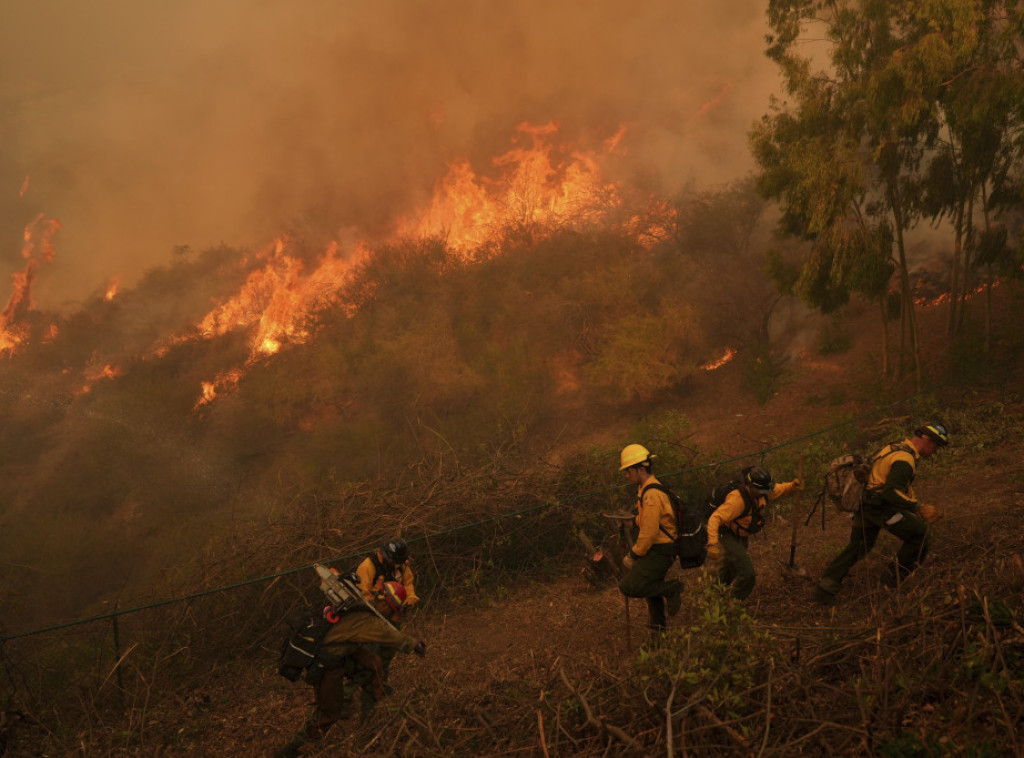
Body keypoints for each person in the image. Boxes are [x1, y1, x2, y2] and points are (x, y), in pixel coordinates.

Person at [274, 581, 426, 758]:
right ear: (385, 605)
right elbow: (387, 634)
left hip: (342, 651)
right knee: (329, 713)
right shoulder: (366, 620)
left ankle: (369, 713)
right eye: (392, 611)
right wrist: (414, 644)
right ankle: (292, 748)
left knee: (373, 663)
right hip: (328, 663)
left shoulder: (360, 606)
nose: (392, 615)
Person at [814, 423, 949, 605]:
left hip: (865, 504)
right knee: (920, 535)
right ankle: (891, 582)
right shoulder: (905, 460)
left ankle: (824, 589)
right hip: (880, 508)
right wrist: (918, 507)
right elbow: (890, 493)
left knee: (857, 547)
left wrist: (912, 506)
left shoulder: (894, 447)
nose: (935, 451)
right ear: (927, 440)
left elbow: (895, 486)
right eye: (936, 446)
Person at [706, 466, 802, 600]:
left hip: (741, 534)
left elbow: (778, 489)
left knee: (731, 568)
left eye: (765, 490)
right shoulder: (737, 500)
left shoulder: (762, 491)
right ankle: (733, 604)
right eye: (760, 491)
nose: (764, 493)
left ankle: (713, 597)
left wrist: (792, 485)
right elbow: (715, 518)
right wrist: (712, 544)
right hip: (727, 534)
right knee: (748, 574)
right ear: (750, 487)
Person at [617, 444, 683, 633]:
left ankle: (672, 589)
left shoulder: (651, 495)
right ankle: (658, 632)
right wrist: (634, 522)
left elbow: (650, 533)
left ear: (641, 469)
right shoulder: (647, 489)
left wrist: (634, 555)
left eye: (628, 471)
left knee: (629, 586)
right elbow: (649, 520)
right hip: (659, 548)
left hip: (660, 550)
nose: (626, 475)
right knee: (652, 589)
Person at [356, 539, 419, 608]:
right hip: (372, 608)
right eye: (395, 562)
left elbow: (408, 582)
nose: (397, 565)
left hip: (394, 609)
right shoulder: (367, 567)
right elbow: (363, 595)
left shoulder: (401, 564)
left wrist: (410, 597)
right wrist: (377, 607)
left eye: (398, 562)